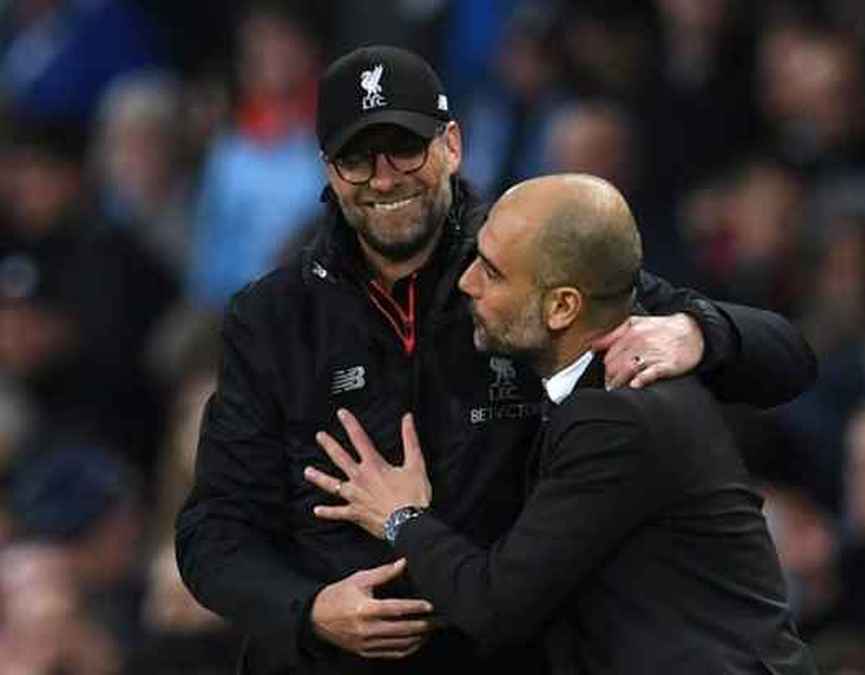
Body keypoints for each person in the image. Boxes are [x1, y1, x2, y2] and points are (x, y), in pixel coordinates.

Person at [175, 45, 818, 674]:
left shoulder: (527, 264)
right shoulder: (271, 317)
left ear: (452, 144)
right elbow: (214, 528)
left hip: (500, 647)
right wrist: (309, 611)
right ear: (328, 169)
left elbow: (788, 362)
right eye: (356, 158)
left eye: (405, 148)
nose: (384, 177)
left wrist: (698, 330)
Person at [304, 173, 816, 674]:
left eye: (491, 272)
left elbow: (495, 607)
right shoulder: (606, 373)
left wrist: (401, 516)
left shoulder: (614, 417)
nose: (466, 282)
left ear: (563, 307)